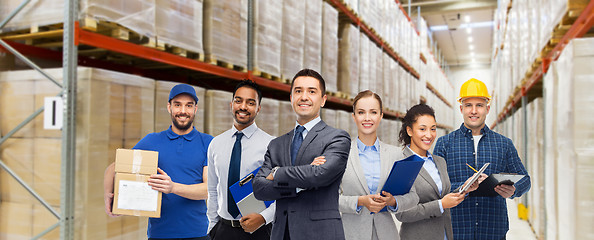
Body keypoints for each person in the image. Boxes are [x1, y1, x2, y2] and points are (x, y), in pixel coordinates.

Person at [103, 84, 213, 240]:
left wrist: (173, 187)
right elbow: (113, 168)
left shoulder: (208, 143)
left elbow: (209, 189)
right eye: (177, 105)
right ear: (169, 107)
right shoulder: (152, 141)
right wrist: (109, 195)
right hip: (160, 234)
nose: (183, 111)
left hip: (197, 234)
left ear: (195, 109)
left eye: (189, 106)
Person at [252, 69, 351, 240]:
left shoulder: (337, 138)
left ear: (323, 100)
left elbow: (319, 175)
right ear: (291, 98)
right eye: (298, 91)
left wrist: (277, 173)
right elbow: (259, 189)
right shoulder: (276, 144)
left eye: (312, 91)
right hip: (282, 234)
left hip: (321, 234)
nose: (304, 97)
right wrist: (303, 180)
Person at [433, 78, 531, 240]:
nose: (473, 111)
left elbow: (525, 179)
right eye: (468, 105)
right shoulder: (445, 143)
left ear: (487, 108)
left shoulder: (503, 144)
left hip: (493, 229)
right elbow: (435, 185)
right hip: (456, 229)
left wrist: (514, 190)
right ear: (461, 108)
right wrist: (462, 187)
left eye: (479, 105)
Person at [337, 90, 419, 240]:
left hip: (387, 234)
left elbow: (413, 197)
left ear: (381, 116)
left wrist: (392, 201)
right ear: (354, 116)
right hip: (351, 235)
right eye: (361, 112)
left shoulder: (396, 154)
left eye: (373, 112)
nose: (367, 118)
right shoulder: (342, 155)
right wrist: (359, 201)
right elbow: (330, 199)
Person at [395, 104, 482, 240]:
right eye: (422, 129)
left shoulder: (439, 161)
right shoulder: (402, 163)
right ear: (410, 131)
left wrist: (465, 188)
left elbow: (443, 195)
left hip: (445, 234)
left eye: (433, 129)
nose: (429, 135)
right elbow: (402, 213)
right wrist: (440, 205)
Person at [207, 80, 276, 240]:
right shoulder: (216, 144)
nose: (243, 107)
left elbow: (284, 194)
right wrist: (212, 228)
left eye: (250, 103)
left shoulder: (271, 145)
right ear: (231, 104)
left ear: (258, 108)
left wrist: (263, 218)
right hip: (223, 230)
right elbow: (212, 190)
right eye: (238, 101)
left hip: (259, 231)